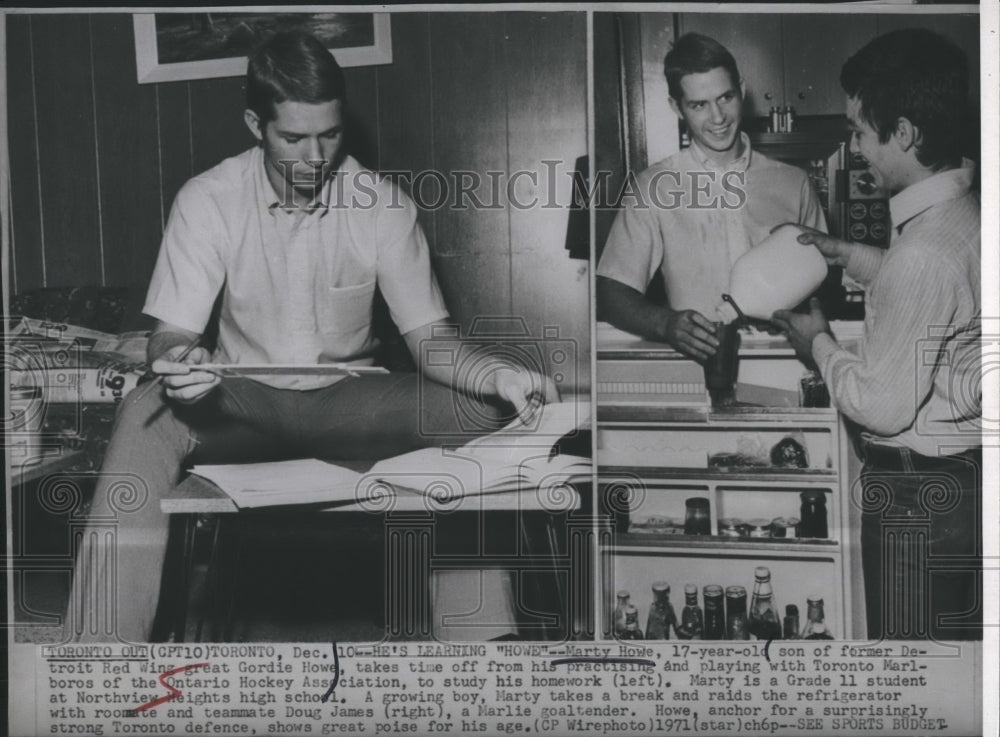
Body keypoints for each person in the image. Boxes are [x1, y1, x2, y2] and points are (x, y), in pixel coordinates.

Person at [66, 32, 558, 643]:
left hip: (349, 400)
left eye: (329, 135)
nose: (314, 157)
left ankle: (482, 648)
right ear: (255, 124)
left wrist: (501, 377)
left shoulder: (383, 205)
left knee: (483, 409)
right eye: (292, 138)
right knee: (145, 411)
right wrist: (179, 364)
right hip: (240, 398)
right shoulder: (207, 199)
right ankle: (98, 658)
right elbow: (171, 336)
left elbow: (434, 343)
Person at [772, 29, 981, 640]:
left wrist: (816, 341)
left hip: (914, 494)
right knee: (951, 670)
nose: (855, 146)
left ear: (907, 133)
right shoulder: (962, 217)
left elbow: (882, 408)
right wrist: (848, 254)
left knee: (907, 673)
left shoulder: (923, 253)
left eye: (861, 131)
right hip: (963, 485)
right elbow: (939, 295)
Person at [596, 32, 826, 360]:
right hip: (701, 367)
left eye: (725, 98)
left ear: (742, 90)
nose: (717, 118)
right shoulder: (653, 187)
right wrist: (666, 324)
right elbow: (610, 292)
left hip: (786, 363)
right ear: (676, 107)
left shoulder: (794, 183)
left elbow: (822, 279)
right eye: (699, 105)